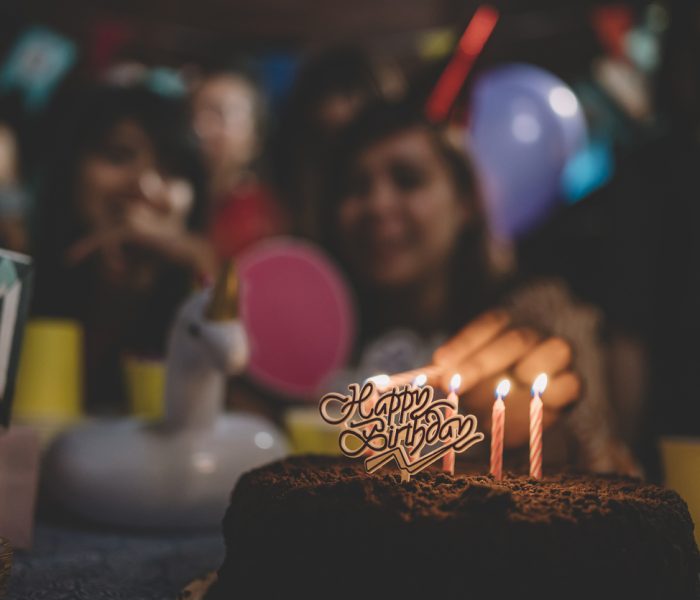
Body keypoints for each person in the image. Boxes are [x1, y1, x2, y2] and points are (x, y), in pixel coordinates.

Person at [321, 101, 636, 474]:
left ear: (465, 201)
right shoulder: (324, 343)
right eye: (356, 187)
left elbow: (603, 461)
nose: (377, 204)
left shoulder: (536, 319)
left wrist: (552, 431)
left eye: (407, 180)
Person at [32, 83, 214, 413]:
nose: (144, 185)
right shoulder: (19, 280)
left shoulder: (202, 286)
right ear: (69, 170)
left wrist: (195, 258)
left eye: (171, 169)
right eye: (118, 156)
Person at [191, 66, 287, 259]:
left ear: (255, 138)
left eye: (218, 114)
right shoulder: (193, 198)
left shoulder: (258, 215)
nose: (199, 127)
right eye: (195, 113)